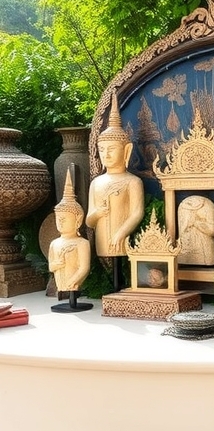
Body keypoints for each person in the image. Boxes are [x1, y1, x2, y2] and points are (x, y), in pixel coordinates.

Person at [86, 92, 144, 291]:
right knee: (111, 268)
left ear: (126, 151)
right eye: (102, 149)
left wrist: (121, 232)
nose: (106, 154)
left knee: (123, 265)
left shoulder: (133, 181)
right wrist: (97, 213)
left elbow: (137, 213)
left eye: (112, 149)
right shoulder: (96, 183)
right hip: (103, 237)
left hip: (123, 237)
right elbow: (89, 220)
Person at [48, 169, 93, 312]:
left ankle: (72, 293)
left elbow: (84, 268)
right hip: (61, 281)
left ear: (78, 220)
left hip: (73, 282)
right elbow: (51, 267)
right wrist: (56, 264)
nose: (60, 222)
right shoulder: (54, 244)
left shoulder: (82, 243)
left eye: (64, 219)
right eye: (58, 218)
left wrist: (73, 280)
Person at [177, 195, 214, 265]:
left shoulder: (207, 206)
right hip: (187, 248)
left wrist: (196, 223)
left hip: (204, 248)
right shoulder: (183, 207)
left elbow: (213, 230)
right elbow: (182, 231)